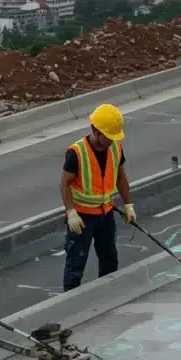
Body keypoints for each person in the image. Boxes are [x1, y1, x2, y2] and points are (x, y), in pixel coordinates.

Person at [61, 103, 136, 292]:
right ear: (97, 131)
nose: (111, 141)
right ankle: (70, 300)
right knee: (76, 262)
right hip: (82, 217)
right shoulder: (76, 153)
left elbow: (120, 176)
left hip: (105, 213)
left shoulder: (115, 148)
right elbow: (65, 184)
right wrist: (71, 212)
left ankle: (107, 294)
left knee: (109, 258)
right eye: (108, 137)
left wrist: (128, 205)